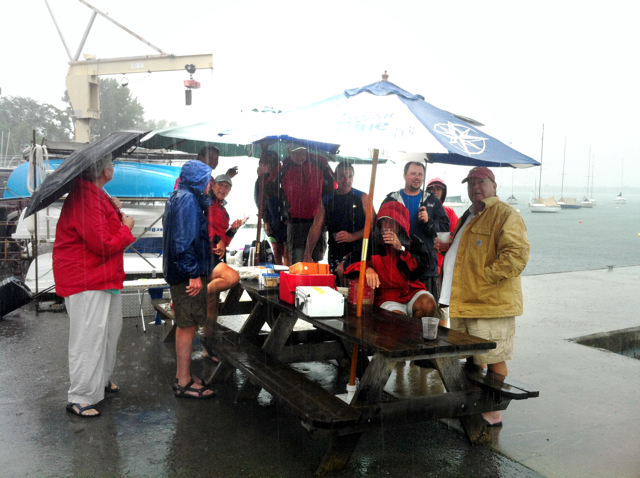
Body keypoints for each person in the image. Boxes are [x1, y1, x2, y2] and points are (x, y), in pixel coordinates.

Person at [436, 166, 530, 427]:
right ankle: (474, 405)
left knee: (493, 358)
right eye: (471, 183)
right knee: (473, 358)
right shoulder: (469, 214)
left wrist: (484, 279)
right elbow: (469, 251)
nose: (475, 187)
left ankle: (493, 412)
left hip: (490, 304)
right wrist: (449, 248)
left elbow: (516, 256)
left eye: (481, 182)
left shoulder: (505, 214)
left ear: (494, 186)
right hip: (464, 302)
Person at [53, 154, 136, 417]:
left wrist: (114, 209)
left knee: (108, 332)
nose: (113, 167)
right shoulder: (86, 198)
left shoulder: (95, 195)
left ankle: (100, 381)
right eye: (110, 164)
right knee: (88, 337)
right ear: (102, 171)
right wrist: (126, 227)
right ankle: (80, 396)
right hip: (87, 278)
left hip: (102, 276)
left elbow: (102, 232)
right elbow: (103, 244)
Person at [163, 160, 215, 399]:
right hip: (186, 275)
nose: (210, 184)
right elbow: (183, 240)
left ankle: (182, 375)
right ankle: (183, 381)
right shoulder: (187, 200)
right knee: (187, 325)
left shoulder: (180, 196)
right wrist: (193, 273)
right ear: (198, 180)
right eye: (207, 179)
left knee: (186, 323)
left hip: (179, 272)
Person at [344, 201, 436, 318]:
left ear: (400, 224)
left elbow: (418, 271)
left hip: (412, 290)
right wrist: (366, 269)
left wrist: (400, 249)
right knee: (397, 319)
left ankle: (417, 328)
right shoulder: (371, 242)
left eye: (392, 222)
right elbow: (349, 263)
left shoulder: (413, 241)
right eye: (384, 221)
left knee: (429, 305)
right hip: (386, 295)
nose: (387, 226)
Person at [383, 162, 449, 304]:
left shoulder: (432, 200)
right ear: (404, 175)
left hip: (426, 267)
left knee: (427, 309)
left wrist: (429, 221)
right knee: (398, 311)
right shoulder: (392, 199)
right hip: (397, 266)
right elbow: (379, 227)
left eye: (420, 174)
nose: (417, 177)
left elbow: (445, 228)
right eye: (413, 174)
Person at [303, 161, 369, 285]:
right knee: (337, 285)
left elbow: (373, 226)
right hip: (335, 249)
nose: (346, 180)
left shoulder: (362, 197)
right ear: (335, 177)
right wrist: (307, 253)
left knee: (351, 283)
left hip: (357, 249)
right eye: (342, 176)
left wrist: (353, 236)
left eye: (350, 176)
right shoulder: (327, 200)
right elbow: (316, 227)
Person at [279, 146, 335, 264]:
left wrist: (327, 215)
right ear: (289, 151)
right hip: (295, 222)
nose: (298, 156)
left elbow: (332, 188)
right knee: (297, 262)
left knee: (315, 260)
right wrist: (284, 214)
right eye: (294, 153)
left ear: (306, 150)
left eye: (301, 152)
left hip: (317, 221)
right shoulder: (283, 166)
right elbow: (271, 191)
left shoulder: (320, 162)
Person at [206, 174, 241, 326]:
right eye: (220, 184)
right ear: (212, 185)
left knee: (213, 301)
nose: (223, 189)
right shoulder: (205, 203)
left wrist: (232, 230)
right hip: (204, 255)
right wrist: (216, 239)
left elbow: (224, 243)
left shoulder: (224, 211)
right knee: (232, 278)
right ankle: (194, 296)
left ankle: (209, 337)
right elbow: (200, 226)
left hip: (216, 256)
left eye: (227, 186)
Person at [254, 149, 289, 265]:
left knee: (287, 252)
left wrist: (289, 216)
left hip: (285, 219)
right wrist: (266, 221)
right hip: (271, 220)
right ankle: (278, 273)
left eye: (271, 162)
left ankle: (286, 273)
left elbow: (287, 198)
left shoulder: (282, 176)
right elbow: (260, 203)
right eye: (265, 163)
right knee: (276, 251)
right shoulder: (260, 181)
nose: (268, 165)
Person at [173, 145, 238, 189]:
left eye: (216, 159)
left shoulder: (209, 178)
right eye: (210, 157)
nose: (213, 161)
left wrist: (227, 176)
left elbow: (215, 195)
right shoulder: (190, 176)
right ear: (201, 158)